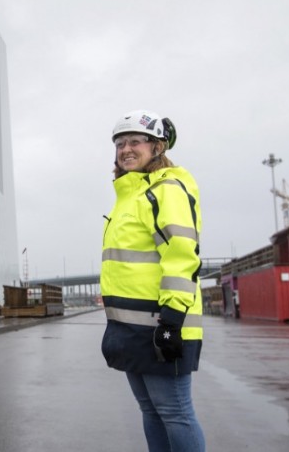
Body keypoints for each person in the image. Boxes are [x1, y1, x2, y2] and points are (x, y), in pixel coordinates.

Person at [100, 109, 205, 452]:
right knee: (151, 409)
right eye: (120, 143)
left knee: (174, 411)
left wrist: (172, 320)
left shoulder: (166, 190)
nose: (125, 149)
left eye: (135, 141)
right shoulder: (129, 197)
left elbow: (182, 255)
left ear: (158, 147)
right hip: (131, 326)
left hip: (161, 323)